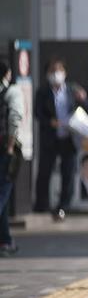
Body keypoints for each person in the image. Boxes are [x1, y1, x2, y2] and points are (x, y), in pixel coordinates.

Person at [34, 58, 88, 221]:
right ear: (47, 74)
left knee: (68, 173)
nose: (56, 74)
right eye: (52, 71)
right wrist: (50, 122)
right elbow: (38, 113)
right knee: (44, 172)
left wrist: (83, 98)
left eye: (59, 70)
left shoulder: (72, 90)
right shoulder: (43, 92)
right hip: (51, 138)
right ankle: (41, 205)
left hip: (69, 137)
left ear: (65, 73)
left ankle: (63, 207)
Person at [0, 61, 24, 256]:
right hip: (4, 150)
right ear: (7, 73)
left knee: (4, 198)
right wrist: (9, 147)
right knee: (3, 191)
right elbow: (15, 119)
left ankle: (5, 240)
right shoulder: (11, 92)